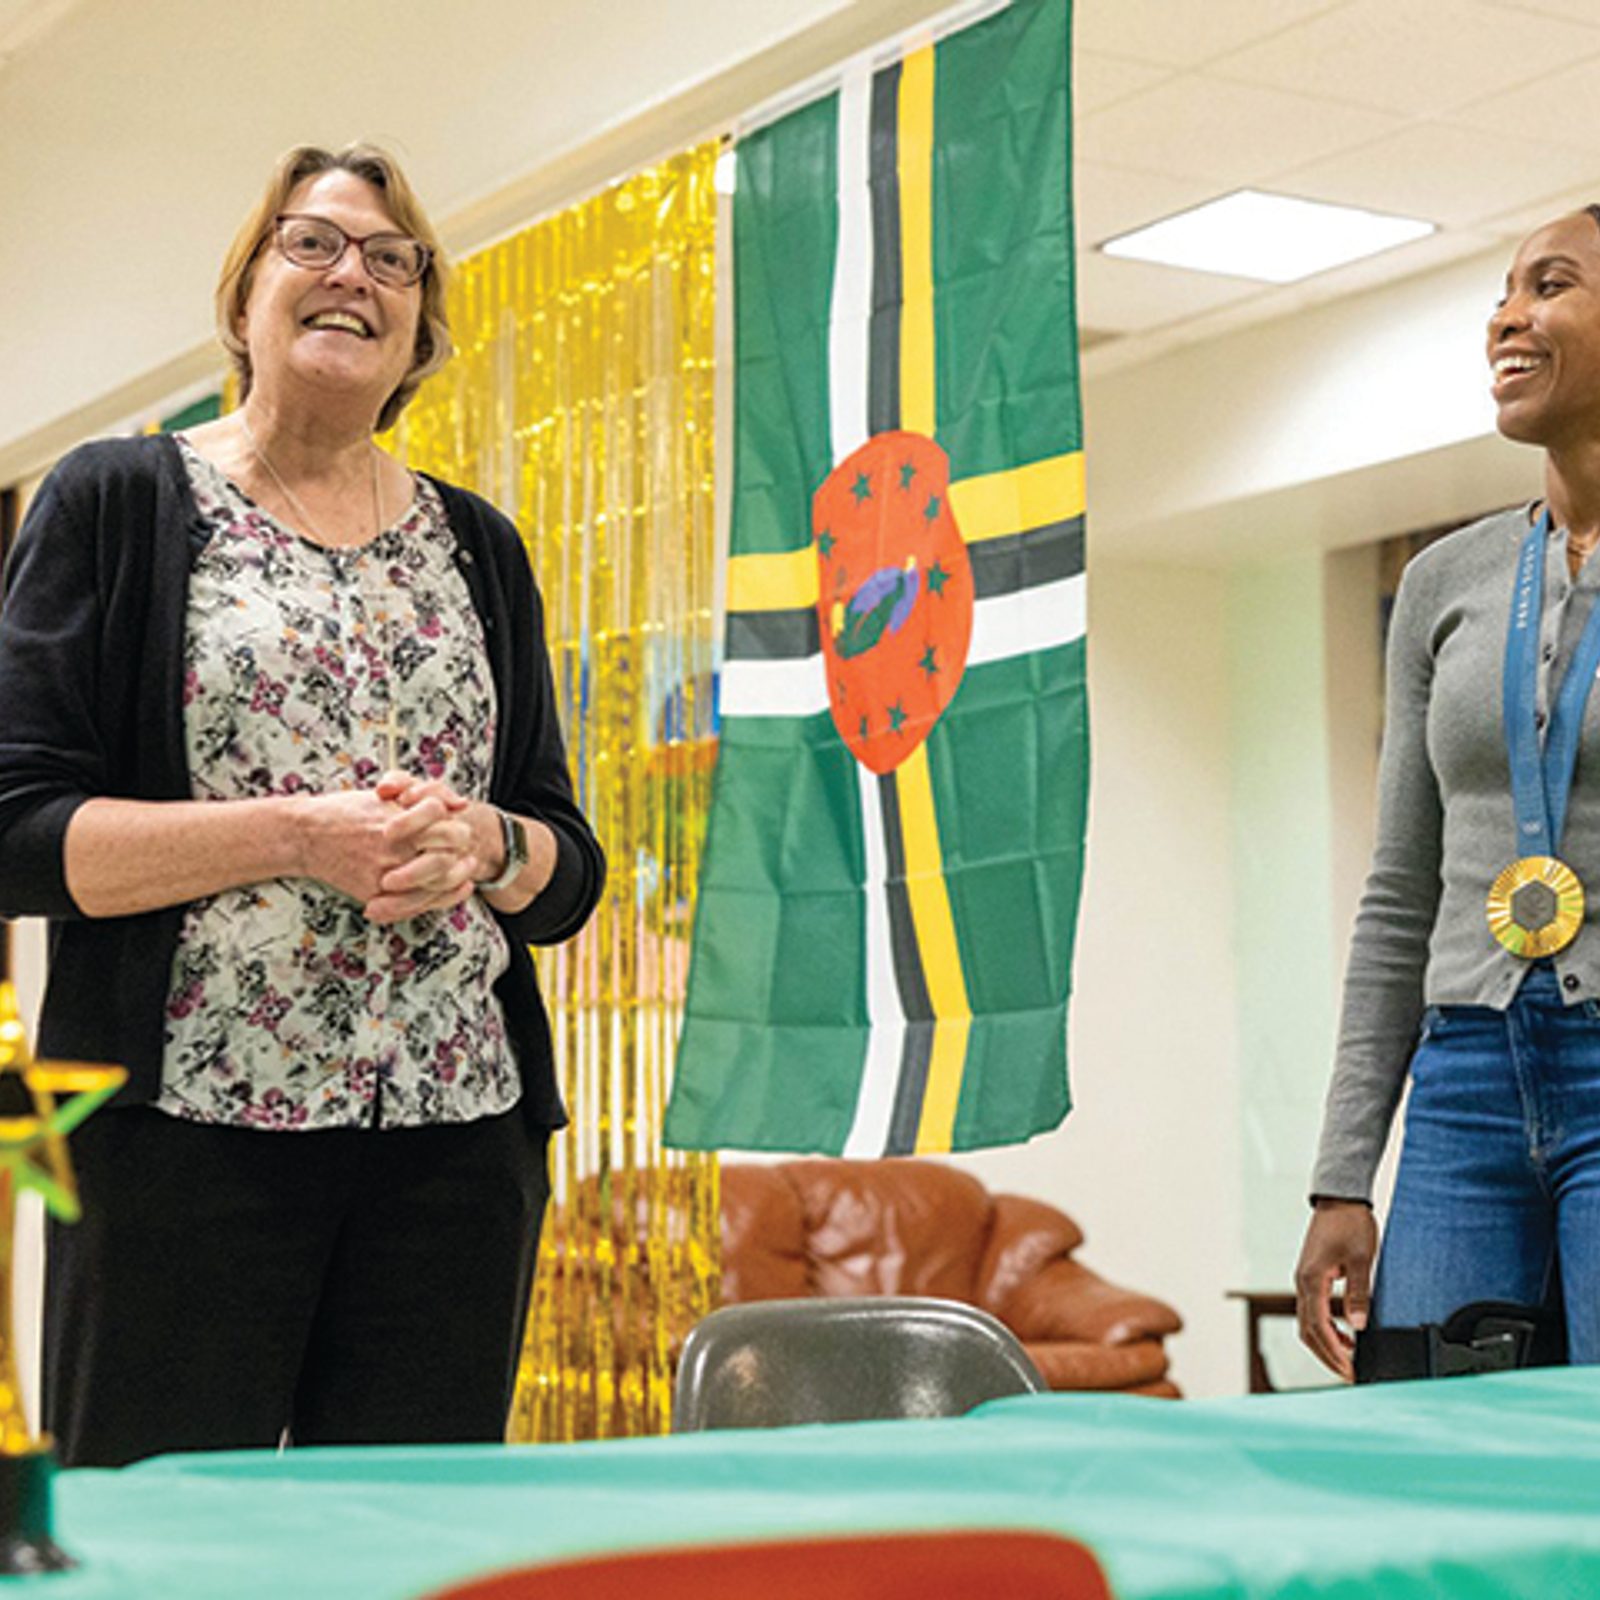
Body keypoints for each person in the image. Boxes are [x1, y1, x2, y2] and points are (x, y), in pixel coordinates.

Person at [0, 144, 604, 1465]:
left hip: (456, 1142)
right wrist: (290, 834)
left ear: (419, 333)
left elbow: (567, 872)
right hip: (181, 1143)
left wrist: (486, 842)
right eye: (313, 242)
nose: (354, 275)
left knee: (407, 1548)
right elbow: (16, 835)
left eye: (394, 260)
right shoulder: (118, 500)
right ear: (243, 298)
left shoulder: (479, 546)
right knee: (164, 1547)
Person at [1296, 207, 1600, 1379]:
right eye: (1503, 292)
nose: (1507, 316)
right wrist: (1341, 1170)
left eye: (1551, 284)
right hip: (1463, 1078)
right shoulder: (1444, 583)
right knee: (1418, 1432)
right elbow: (1397, 889)